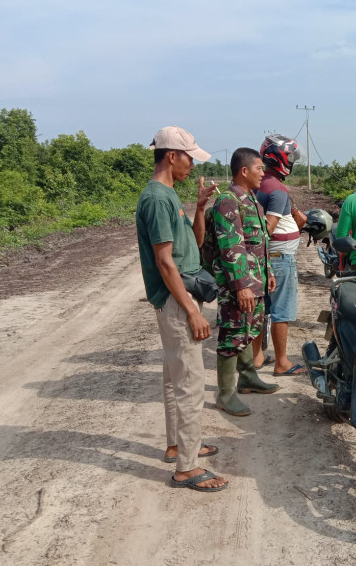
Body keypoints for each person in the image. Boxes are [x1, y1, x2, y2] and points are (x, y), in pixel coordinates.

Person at [136, 125, 227, 492]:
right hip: (176, 302)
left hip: (177, 299)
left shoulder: (169, 195)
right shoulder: (158, 198)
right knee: (190, 384)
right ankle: (186, 468)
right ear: (171, 156)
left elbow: (194, 242)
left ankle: (178, 446)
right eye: (190, 157)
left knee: (174, 378)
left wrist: (201, 207)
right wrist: (191, 310)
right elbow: (164, 262)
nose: (193, 164)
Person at [203, 147, 279, 416]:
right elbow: (230, 248)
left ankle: (247, 378)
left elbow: (257, 243)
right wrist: (242, 286)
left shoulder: (250, 199)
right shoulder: (228, 201)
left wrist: (267, 272)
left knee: (249, 329)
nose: (263, 173)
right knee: (231, 336)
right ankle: (225, 394)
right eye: (259, 169)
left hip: (254, 280)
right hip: (238, 285)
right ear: (244, 171)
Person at [252, 134, 308, 376]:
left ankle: (257, 357)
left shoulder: (260, 184)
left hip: (264, 257)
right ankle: (282, 362)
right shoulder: (277, 188)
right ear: (280, 158)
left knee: (261, 308)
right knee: (281, 311)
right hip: (279, 259)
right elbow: (269, 227)